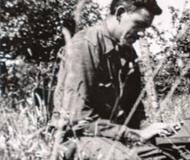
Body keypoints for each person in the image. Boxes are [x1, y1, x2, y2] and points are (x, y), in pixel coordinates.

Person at [52, 0, 179, 159]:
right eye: (138, 24)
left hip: (113, 138)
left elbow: (134, 112)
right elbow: (79, 120)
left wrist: (154, 128)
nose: (142, 33)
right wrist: (135, 134)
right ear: (120, 13)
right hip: (77, 138)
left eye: (146, 28)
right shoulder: (85, 45)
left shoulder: (128, 53)